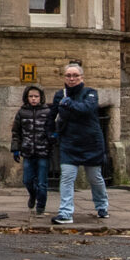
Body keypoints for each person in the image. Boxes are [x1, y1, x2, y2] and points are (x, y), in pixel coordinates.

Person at [49, 62, 110, 223]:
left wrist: (68, 103)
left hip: (91, 142)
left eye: (75, 75)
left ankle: (102, 206)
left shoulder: (90, 93)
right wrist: (50, 133)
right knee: (67, 177)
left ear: (82, 77)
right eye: (68, 75)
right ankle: (65, 213)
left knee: (95, 178)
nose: (72, 78)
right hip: (69, 143)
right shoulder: (59, 95)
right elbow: (51, 115)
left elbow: (86, 109)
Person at [10, 85, 56, 219]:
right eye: (31, 96)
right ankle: (33, 194)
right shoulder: (22, 112)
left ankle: (41, 206)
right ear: (26, 97)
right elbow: (16, 132)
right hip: (28, 151)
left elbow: (53, 129)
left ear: (41, 97)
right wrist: (16, 149)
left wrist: (52, 140)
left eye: (36, 96)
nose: (34, 99)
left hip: (43, 152)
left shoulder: (47, 112)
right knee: (27, 180)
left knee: (42, 182)